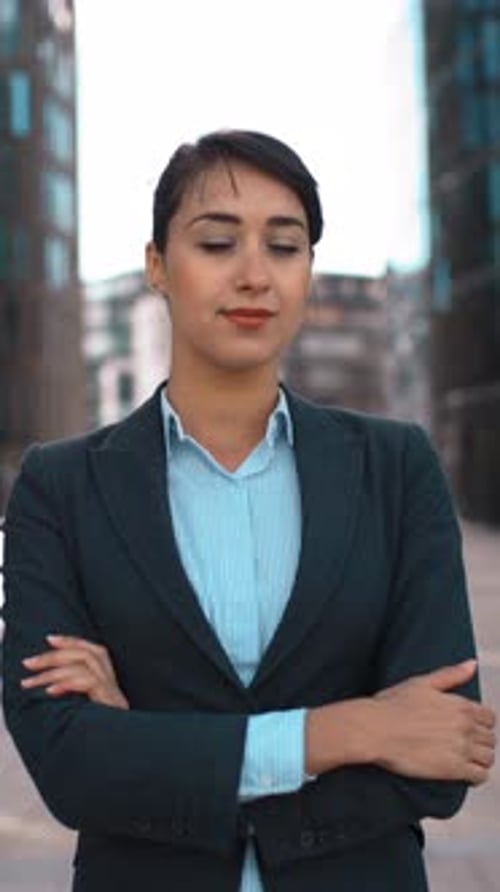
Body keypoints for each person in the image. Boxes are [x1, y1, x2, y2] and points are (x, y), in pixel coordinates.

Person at [1, 130, 496, 892]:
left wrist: (146, 745)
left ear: (308, 272)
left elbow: (441, 760)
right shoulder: (60, 487)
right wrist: (348, 729)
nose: (255, 274)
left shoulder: (395, 469)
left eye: (285, 246)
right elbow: (69, 768)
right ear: (157, 266)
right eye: (217, 242)